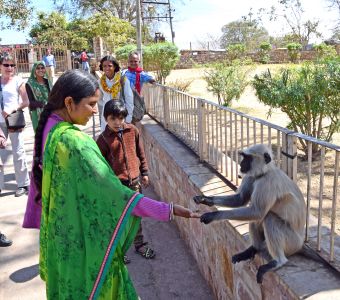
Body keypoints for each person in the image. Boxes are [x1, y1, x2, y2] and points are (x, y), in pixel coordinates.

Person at [29, 69, 199, 299]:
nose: (94, 111)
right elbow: (118, 196)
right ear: (69, 103)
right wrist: (167, 209)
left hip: (63, 243)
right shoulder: (76, 143)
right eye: (90, 104)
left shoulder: (55, 135)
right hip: (83, 248)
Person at [96, 101, 154, 263]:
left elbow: (140, 153)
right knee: (118, 218)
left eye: (121, 118)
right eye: (113, 118)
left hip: (134, 183)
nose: (117, 122)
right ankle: (119, 250)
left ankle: (140, 244)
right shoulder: (102, 140)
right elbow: (99, 165)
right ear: (106, 118)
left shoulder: (132, 131)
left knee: (136, 216)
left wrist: (145, 173)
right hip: (116, 187)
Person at [0, 54, 30, 197]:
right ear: (0, 66)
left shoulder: (18, 81)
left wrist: (11, 110)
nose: (9, 68)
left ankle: (23, 184)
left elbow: (25, 102)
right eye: (6, 65)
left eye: (12, 65)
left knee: (18, 152)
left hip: (13, 120)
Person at [98, 55, 134, 131]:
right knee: (106, 138)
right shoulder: (100, 82)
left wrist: (128, 118)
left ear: (114, 67)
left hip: (120, 116)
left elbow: (129, 99)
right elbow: (99, 99)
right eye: (104, 66)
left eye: (110, 66)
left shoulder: (122, 80)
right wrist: (107, 105)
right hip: (107, 116)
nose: (107, 68)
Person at [25, 61, 52, 132]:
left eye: (42, 68)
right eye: (38, 68)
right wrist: (42, 104)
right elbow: (29, 102)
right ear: (34, 70)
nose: (40, 70)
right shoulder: (30, 84)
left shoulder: (48, 82)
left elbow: (53, 96)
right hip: (37, 113)